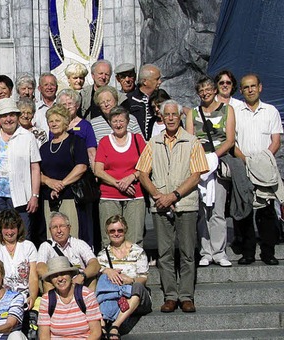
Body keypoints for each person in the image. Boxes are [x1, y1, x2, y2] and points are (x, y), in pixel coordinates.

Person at [136, 99, 208, 313]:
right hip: (160, 204)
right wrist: (159, 196)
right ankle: (170, 296)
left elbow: (196, 176)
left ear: (180, 116)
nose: (170, 118)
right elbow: (142, 173)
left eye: (174, 115)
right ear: (161, 116)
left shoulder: (192, 141)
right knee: (165, 253)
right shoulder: (154, 141)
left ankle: (186, 296)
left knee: (187, 252)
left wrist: (173, 196)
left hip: (185, 203)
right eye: (166, 115)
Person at [185, 76, 236, 267]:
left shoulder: (227, 110)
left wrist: (213, 157)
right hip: (199, 164)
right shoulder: (192, 113)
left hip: (219, 163)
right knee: (201, 211)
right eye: (201, 90)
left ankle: (219, 251)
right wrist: (202, 161)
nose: (205, 93)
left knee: (217, 209)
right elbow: (191, 139)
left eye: (208, 89)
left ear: (215, 90)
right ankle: (205, 251)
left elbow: (229, 139)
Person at [233, 73, 282, 266]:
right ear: (241, 90)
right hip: (243, 167)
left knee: (267, 212)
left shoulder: (271, 111)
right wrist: (246, 161)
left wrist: (261, 162)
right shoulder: (235, 112)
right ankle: (248, 252)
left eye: (253, 86)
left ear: (260, 87)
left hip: (265, 169)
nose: (250, 90)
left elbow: (276, 141)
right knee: (244, 211)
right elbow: (232, 141)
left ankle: (268, 252)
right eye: (246, 87)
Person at [0, 98, 41, 237]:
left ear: (17, 116)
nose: (8, 119)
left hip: (20, 196)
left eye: (12, 115)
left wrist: (34, 195)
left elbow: (35, 167)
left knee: (22, 235)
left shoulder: (28, 137)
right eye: (4, 116)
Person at [94, 106, 147, 247]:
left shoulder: (137, 139)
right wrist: (118, 184)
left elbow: (147, 165)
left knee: (134, 237)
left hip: (135, 195)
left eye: (121, 121)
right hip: (109, 196)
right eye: (115, 121)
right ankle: (111, 268)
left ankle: (135, 267)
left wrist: (131, 177)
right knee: (109, 237)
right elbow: (98, 170)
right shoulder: (105, 142)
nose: (118, 124)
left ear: (128, 122)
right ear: (110, 123)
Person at [96, 215, 151, 339]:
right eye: (112, 231)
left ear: (125, 230)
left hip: (135, 297)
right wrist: (106, 270)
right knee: (100, 281)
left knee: (137, 286)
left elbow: (143, 278)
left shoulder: (137, 251)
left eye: (119, 230)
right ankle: (102, 323)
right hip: (113, 297)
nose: (116, 234)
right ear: (107, 233)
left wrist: (130, 280)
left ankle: (115, 326)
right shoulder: (102, 255)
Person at [39, 104, 88, 238]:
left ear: (65, 122)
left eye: (57, 120)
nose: (54, 124)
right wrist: (49, 182)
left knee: (71, 237)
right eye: (51, 121)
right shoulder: (44, 148)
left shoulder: (76, 142)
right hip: (49, 201)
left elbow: (81, 167)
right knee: (53, 239)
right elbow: (37, 173)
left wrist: (60, 184)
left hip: (70, 198)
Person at [0, 209, 38, 311]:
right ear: (0, 229)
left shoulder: (28, 246)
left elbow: (33, 277)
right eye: (6, 228)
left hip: (24, 298)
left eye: (13, 228)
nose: (10, 232)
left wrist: (32, 298)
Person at [38, 256, 102, 340]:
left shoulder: (86, 295)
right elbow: (44, 336)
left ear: (71, 274)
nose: (60, 279)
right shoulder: (47, 300)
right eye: (55, 276)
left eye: (63, 274)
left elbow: (96, 333)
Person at [37, 212, 101, 293]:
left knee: (92, 279)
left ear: (69, 228)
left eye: (62, 226)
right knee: (46, 282)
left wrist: (82, 276)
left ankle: (89, 304)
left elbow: (95, 264)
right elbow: (40, 267)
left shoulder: (79, 243)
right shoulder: (45, 246)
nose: (59, 230)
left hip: (78, 283)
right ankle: (53, 304)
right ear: (50, 230)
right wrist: (57, 280)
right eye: (54, 227)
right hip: (57, 285)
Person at [56, 89, 97, 166]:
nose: (67, 107)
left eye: (70, 103)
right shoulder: (55, 126)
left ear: (77, 105)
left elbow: (91, 151)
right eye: (64, 104)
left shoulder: (85, 126)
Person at [123, 64, 162, 140]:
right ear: (145, 82)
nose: (160, 82)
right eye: (157, 79)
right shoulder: (129, 100)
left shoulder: (161, 98)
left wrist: (191, 111)